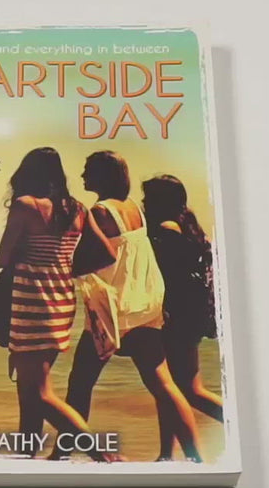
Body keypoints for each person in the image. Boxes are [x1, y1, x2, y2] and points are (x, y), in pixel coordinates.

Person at [56, 151, 202, 461]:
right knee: (163, 385)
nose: (82, 176)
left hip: (113, 309)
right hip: (144, 304)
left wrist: (65, 269)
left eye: (88, 170)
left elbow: (92, 257)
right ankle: (195, 458)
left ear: (102, 175)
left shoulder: (100, 212)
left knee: (80, 383)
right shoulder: (134, 208)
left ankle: (61, 454)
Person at [0, 147, 115, 461]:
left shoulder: (26, 205)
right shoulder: (77, 209)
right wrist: (63, 267)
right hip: (61, 302)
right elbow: (107, 254)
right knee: (30, 392)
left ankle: (101, 455)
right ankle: (26, 461)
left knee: (39, 394)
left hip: (32, 304)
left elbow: (1, 259)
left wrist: (32, 258)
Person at [142, 174, 223, 459]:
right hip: (190, 318)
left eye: (148, 198)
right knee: (173, 390)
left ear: (159, 202)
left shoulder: (167, 230)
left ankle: (232, 426)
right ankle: (166, 455)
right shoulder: (188, 227)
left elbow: (171, 276)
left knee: (186, 391)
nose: (143, 203)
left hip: (176, 319)